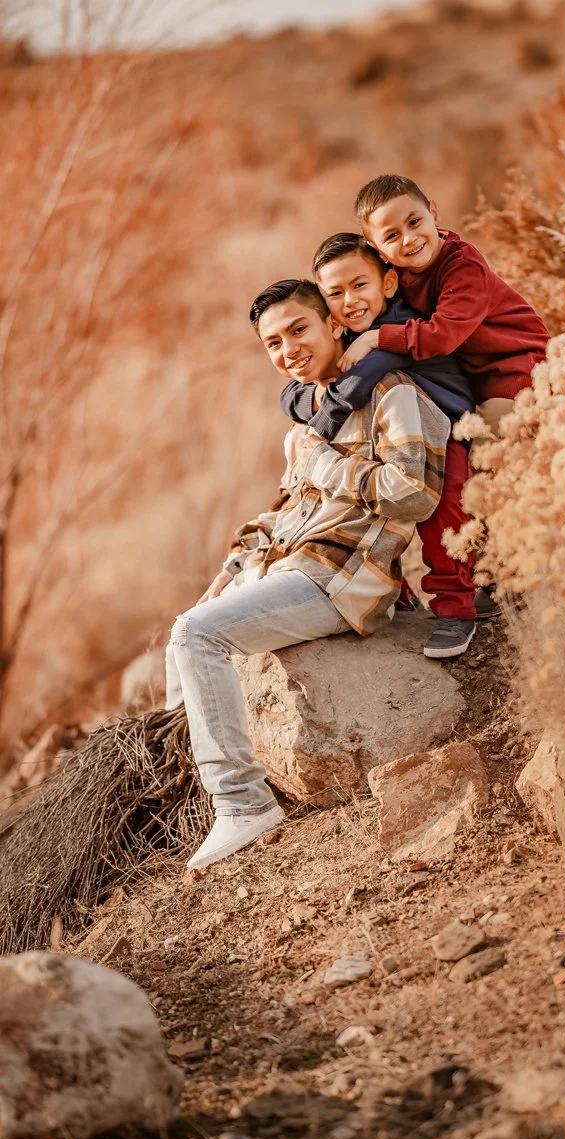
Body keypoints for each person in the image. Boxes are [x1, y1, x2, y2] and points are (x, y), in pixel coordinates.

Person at [166, 278, 450, 872]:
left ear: (333, 326)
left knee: (199, 636)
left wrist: (329, 465)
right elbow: (288, 510)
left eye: (299, 329)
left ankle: (243, 804)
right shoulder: (307, 420)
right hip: (293, 565)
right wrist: (233, 567)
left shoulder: (393, 394)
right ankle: (195, 797)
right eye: (273, 342)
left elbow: (415, 495)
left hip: (344, 579)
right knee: (180, 635)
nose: (288, 348)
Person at [280, 231, 488, 659]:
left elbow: (351, 386)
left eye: (360, 286)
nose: (350, 300)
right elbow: (290, 394)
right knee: (357, 499)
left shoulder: (399, 331)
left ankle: (456, 610)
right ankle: (395, 592)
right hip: (393, 434)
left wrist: (318, 426)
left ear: (388, 284)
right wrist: (310, 398)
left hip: (445, 431)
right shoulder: (347, 336)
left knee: (442, 512)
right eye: (334, 293)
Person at [341, 173, 550, 435]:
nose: (409, 238)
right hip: (470, 381)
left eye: (415, 222)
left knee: (483, 449)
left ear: (433, 212)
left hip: (517, 369)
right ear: (377, 248)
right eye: (392, 236)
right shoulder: (395, 272)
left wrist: (374, 338)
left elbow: (442, 335)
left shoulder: (463, 267)